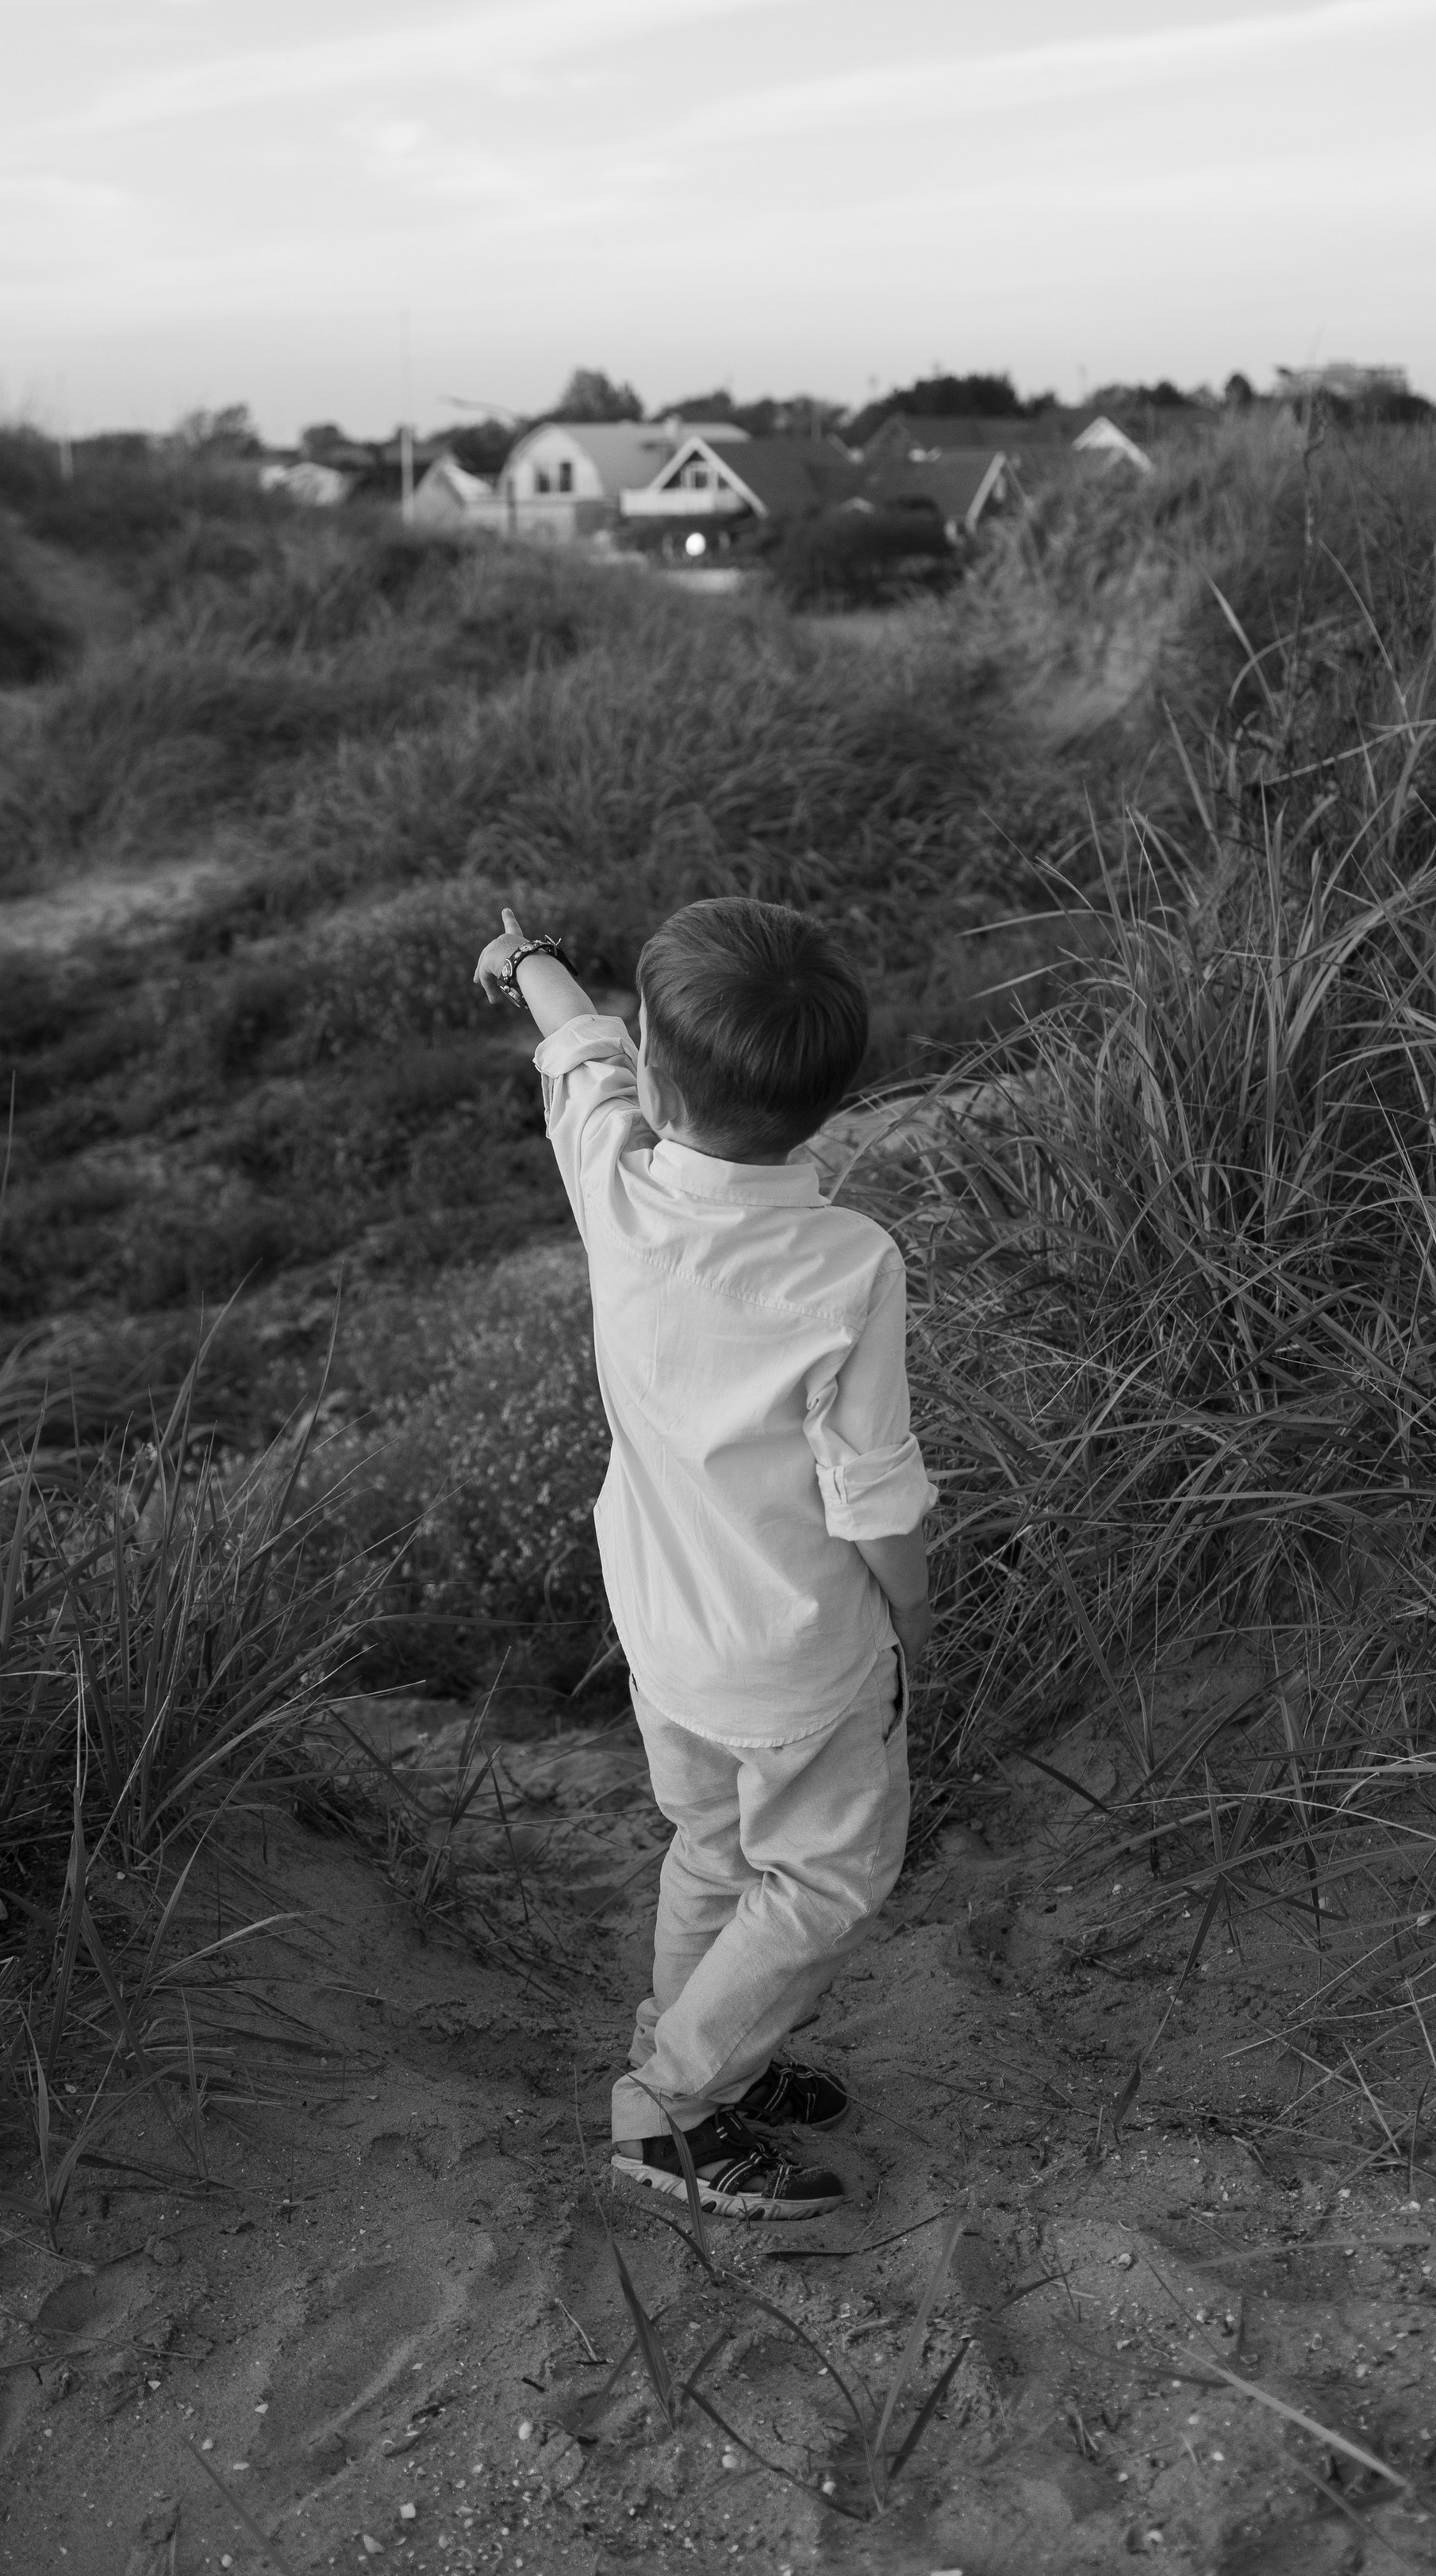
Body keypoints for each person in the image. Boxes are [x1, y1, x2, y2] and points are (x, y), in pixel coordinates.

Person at [472, 894, 935, 2219]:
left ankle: (708, 2051)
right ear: (827, 1106)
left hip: (665, 1639)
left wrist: (527, 959)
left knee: (713, 1852)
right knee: (827, 1876)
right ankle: (674, 2105)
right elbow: (876, 1501)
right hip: (800, 1658)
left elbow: (580, 1053)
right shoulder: (849, 1262)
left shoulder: (612, 1186)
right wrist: (917, 1633)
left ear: (657, 1074)